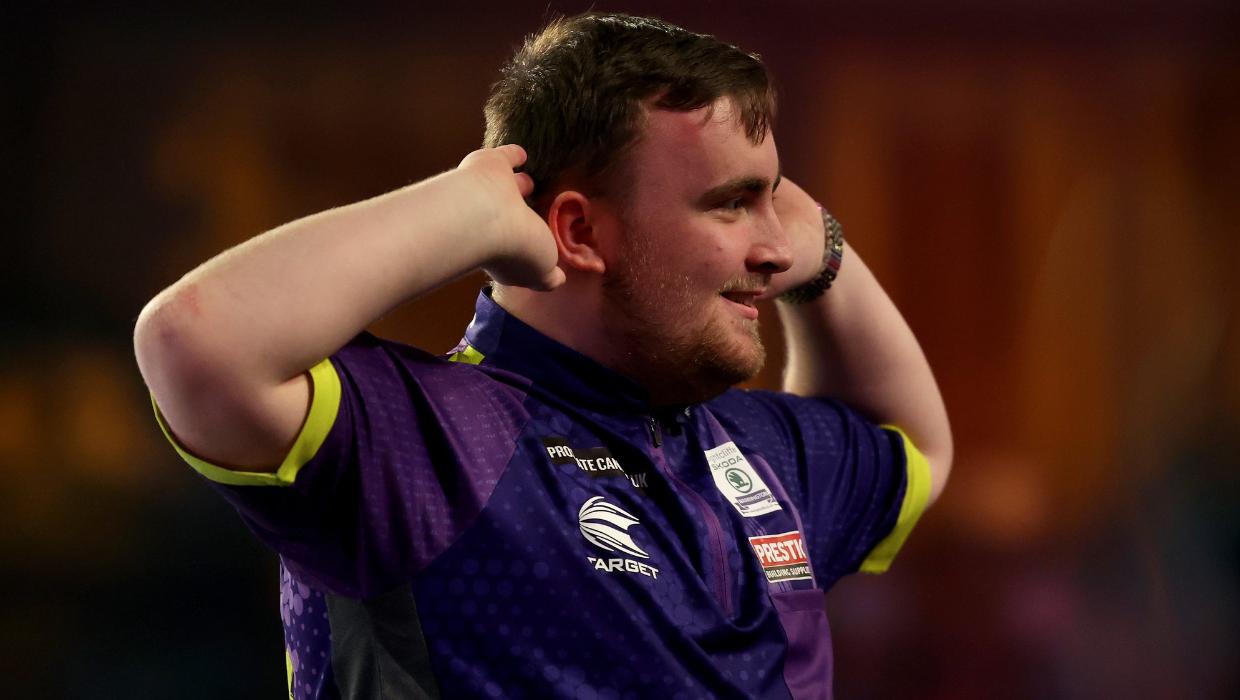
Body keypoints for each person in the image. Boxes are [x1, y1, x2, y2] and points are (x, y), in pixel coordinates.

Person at [134, 12, 951, 700]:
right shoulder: (425, 442)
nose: (776, 248)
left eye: (773, 198)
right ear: (578, 230)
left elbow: (916, 447)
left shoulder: (754, 447)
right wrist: (466, 209)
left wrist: (829, 254)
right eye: (732, 203)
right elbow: (195, 338)